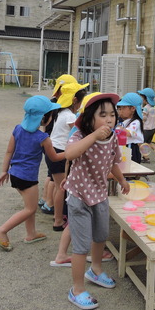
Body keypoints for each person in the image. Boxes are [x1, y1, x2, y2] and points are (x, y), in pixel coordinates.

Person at [64, 92, 130, 310]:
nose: (109, 119)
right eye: (103, 115)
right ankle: (77, 289)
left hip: (100, 195)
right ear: (90, 118)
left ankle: (96, 271)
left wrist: (122, 180)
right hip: (79, 197)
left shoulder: (112, 139)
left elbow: (113, 163)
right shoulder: (79, 136)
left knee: (101, 236)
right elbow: (70, 154)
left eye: (112, 114)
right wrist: (92, 136)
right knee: (81, 246)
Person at [0, 96, 64, 251]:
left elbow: (9, 151)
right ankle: (1, 230)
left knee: (28, 205)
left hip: (15, 174)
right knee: (30, 209)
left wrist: (4, 171)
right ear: (45, 118)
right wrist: (71, 152)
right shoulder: (43, 138)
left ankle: (31, 233)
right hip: (28, 178)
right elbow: (55, 157)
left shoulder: (17, 129)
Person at [47, 82, 87, 231]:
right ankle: (58, 221)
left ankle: (59, 216)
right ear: (75, 100)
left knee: (59, 187)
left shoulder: (60, 112)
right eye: (81, 101)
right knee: (61, 188)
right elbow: (79, 133)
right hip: (60, 153)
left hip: (54, 150)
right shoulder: (70, 117)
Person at [115, 92, 144, 164]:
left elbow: (128, 133)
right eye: (120, 109)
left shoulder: (136, 122)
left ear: (133, 108)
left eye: (123, 108)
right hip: (125, 148)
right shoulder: (126, 121)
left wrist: (117, 127)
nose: (120, 111)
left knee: (131, 169)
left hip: (131, 149)